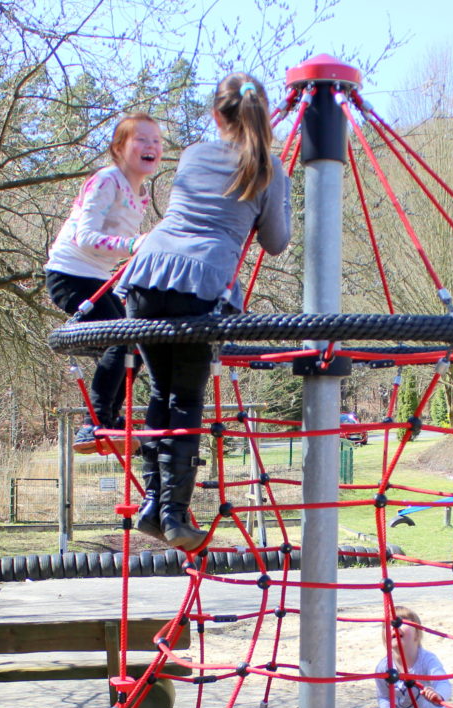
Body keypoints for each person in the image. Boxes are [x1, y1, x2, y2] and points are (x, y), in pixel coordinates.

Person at [116, 72, 291, 551]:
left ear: (217, 115)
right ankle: (174, 514)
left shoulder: (193, 154)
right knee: (185, 398)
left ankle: (155, 503)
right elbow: (276, 242)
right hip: (202, 287)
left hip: (147, 277)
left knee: (161, 394)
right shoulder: (268, 168)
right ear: (267, 114)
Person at [45, 113, 164, 453]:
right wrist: (131, 245)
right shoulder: (106, 181)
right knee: (120, 340)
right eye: (141, 140)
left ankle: (109, 423)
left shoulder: (139, 193)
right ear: (119, 147)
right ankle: (93, 424)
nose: (151, 146)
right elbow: (85, 237)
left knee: (135, 343)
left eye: (156, 141)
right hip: (70, 273)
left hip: (98, 277)